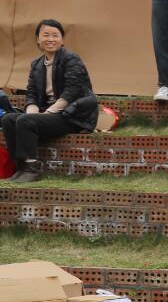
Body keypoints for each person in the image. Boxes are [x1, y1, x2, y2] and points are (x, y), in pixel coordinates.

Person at [2, 19, 98, 185]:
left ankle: (31, 169)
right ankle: (20, 166)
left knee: (25, 121)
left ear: (62, 39)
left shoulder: (71, 59)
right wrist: (32, 109)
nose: (50, 39)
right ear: (38, 39)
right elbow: (31, 92)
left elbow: (72, 91)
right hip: (49, 114)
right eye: (46, 35)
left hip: (72, 115)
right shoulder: (36, 64)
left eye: (55, 35)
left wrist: (48, 112)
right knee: (8, 119)